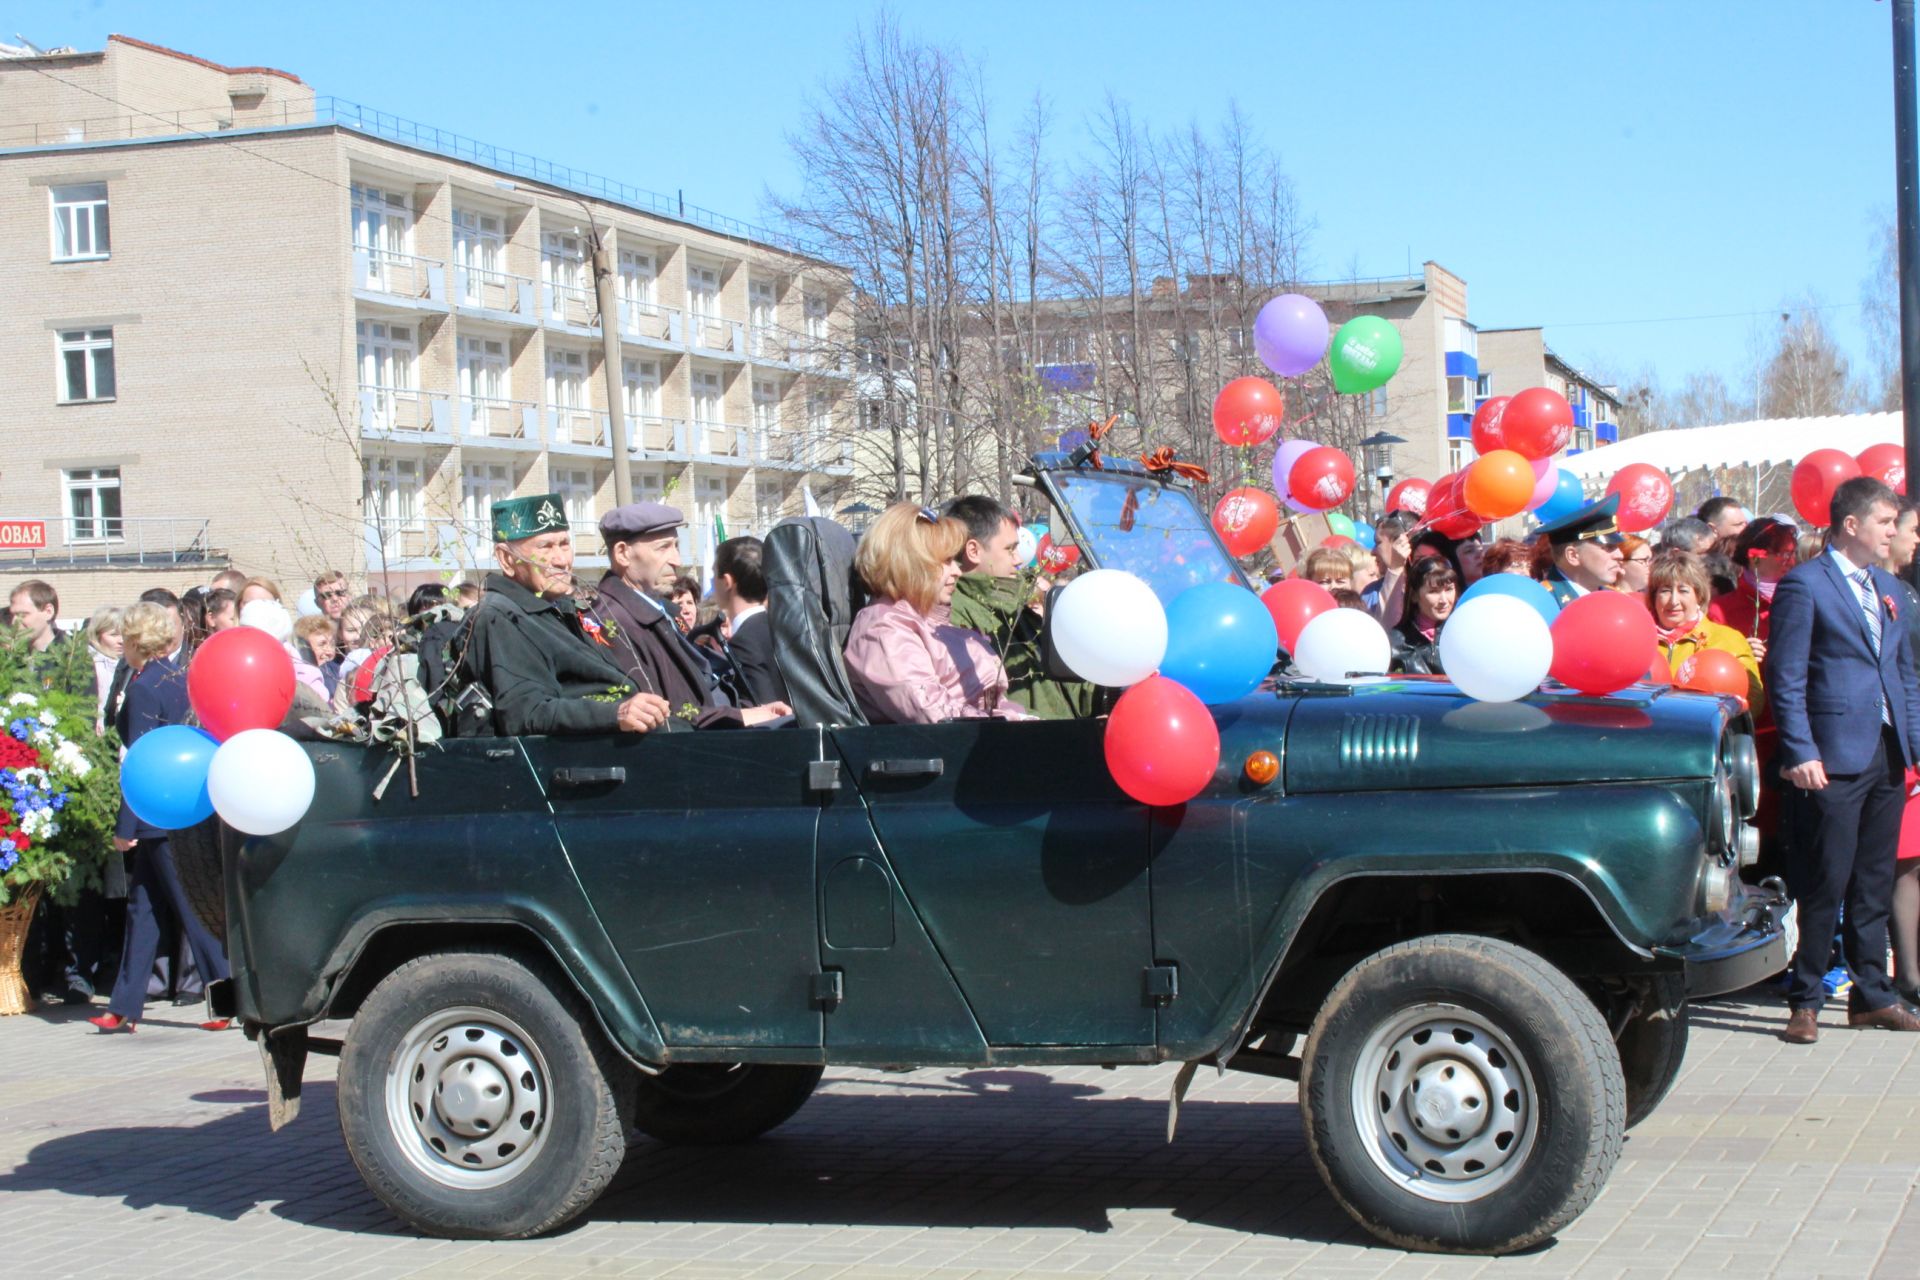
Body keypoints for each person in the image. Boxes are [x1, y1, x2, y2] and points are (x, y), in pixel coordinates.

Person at [1769, 476, 1920, 1043]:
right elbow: (1784, 676)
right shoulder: (1806, 585)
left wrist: (1914, 746)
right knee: (1826, 877)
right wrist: (1800, 750)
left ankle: (1871, 994)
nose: (1894, 533)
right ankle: (1805, 998)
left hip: (1886, 752)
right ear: (1852, 525)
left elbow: (1903, 672)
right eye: (1885, 523)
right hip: (1831, 757)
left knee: (1875, 880)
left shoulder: (1888, 586)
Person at [88, 602, 231, 1034]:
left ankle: (227, 997)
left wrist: (125, 826)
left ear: (135, 642)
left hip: (157, 816)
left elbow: (140, 763)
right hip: (180, 808)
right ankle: (125, 1004)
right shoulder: (176, 678)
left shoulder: (145, 686)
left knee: (188, 907)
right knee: (142, 910)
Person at [456, 494, 672, 736]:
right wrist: (615, 714)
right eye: (545, 547)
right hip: (579, 767)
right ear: (507, 559)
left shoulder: (555, 610)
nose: (561, 560)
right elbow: (525, 713)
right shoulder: (500, 618)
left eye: (564, 544)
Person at [586, 503, 788, 730]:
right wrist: (739, 716)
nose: (676, 560)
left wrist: (745, 712)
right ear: (623, 553)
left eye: (676, 546)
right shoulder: (609, 621)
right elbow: (656, 715)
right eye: (663, 548)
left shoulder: (657, 612)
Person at [845, 503, 1031, 724]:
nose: (957, 571)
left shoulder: (924, 620)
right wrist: (1007, 723)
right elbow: (932, 712)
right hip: (950, 748)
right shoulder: (884, 629)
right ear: (910, 564)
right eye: (946, 561)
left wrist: (1016, 718)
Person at [943, 495, 1093, 719]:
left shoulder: (1016, 603)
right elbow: (990, 703)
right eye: (1009, 549)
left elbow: (1060, 685)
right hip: (1028, 745)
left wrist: (1107, 693)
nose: (1019, 560)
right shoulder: (955, 615)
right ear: (973, 551)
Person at [1647, 551, 1764, 712]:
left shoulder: (1728, 640)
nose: (1673, 601)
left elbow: (1753, 700)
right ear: (1653, 597)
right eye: (1665, 591)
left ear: (1699, 596)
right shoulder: (1640, 641)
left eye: (1683, 591)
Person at [712, 536, 789, 708]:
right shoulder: (783, 627)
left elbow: (766, 711)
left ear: (726, 581)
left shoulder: (744, 642)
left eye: (713, 574)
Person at [1709, 518, 1799, 663]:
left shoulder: (1799, 601)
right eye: (1784, 554)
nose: (1791, 561)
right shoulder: (1721, 610)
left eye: (1793, 553)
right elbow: (1712, 660)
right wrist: (1740, 652)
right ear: (1755, 557)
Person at [1535, 495, 1625, 605]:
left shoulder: (1617, 600)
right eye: (1608, 547)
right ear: (1572, 556)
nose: (1619, 555)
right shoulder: (1542, 602)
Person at [9, 580, 90, 696]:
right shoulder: (13, 659)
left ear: (48, 611)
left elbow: (84, 707)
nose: (14, 622)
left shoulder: (72, 656)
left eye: (23, 615)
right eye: (13, 615)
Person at [1391, 555, 1457, 675]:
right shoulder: (1395, 643)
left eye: (1449, 589)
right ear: (1415, 595)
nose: (1444, 600)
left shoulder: (1463, 634)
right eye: (1434, 591)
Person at [1366, 512, 1414, 622]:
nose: (1373, 552)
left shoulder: (1427, 587)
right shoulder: (1370, 593)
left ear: (1402, 542)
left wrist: (1395, 569)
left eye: (1378, 542)